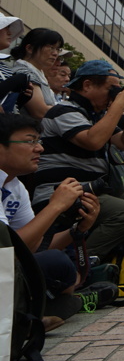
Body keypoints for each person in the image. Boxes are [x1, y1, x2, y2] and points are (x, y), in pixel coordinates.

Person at [31, 60, 124, 262]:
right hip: (63, 192)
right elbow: (93, 140)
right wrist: (118, 104)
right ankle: (79, 265)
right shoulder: (63, 110)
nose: (114, 94)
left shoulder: (97, 117)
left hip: (93, 191)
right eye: (111, 89)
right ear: (87, 85)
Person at [0, 113, 100, 330]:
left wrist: (79, 229)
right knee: (56, 263)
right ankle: (28, 317)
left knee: (59, 262)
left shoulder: (14, 186)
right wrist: (55, 206)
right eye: (30, 141)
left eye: (39, 141)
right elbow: (7, 249)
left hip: (7, 270)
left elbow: (30, 248)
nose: (40, 149)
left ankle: (28, 315)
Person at [10, 27, 64, 119]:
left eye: (58, 49)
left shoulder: (38, 73)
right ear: (30, 48)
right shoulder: (25, 73)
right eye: (51, 47)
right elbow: (41, 112)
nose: (55, 53)